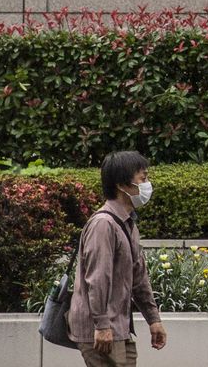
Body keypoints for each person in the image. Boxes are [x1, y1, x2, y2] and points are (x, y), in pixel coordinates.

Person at [68, 150, 168, 367]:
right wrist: (102, 325)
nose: (147, 184)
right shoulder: (104, 224)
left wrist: (154, 319)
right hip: (102, 329)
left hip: (118, 326)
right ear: (122, 185)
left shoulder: (127, 223)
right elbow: (97, 278)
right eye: (143, 178)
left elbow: (139, 277)